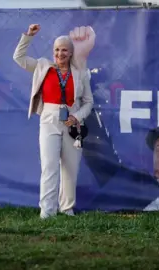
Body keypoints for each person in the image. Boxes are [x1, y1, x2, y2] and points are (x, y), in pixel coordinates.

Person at [13, 24, 94, 219]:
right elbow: (19, 58)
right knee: (49, 167)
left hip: (72, 123)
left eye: (64, 49)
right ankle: (47, 211)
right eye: (57, 49)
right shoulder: (42, 66)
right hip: (48, 119)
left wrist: (77, 116)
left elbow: (88, 102)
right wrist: (28, 36)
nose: (60, 53)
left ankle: (67, 210)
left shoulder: (81, 73)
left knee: (70, 168)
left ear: (71, 52)